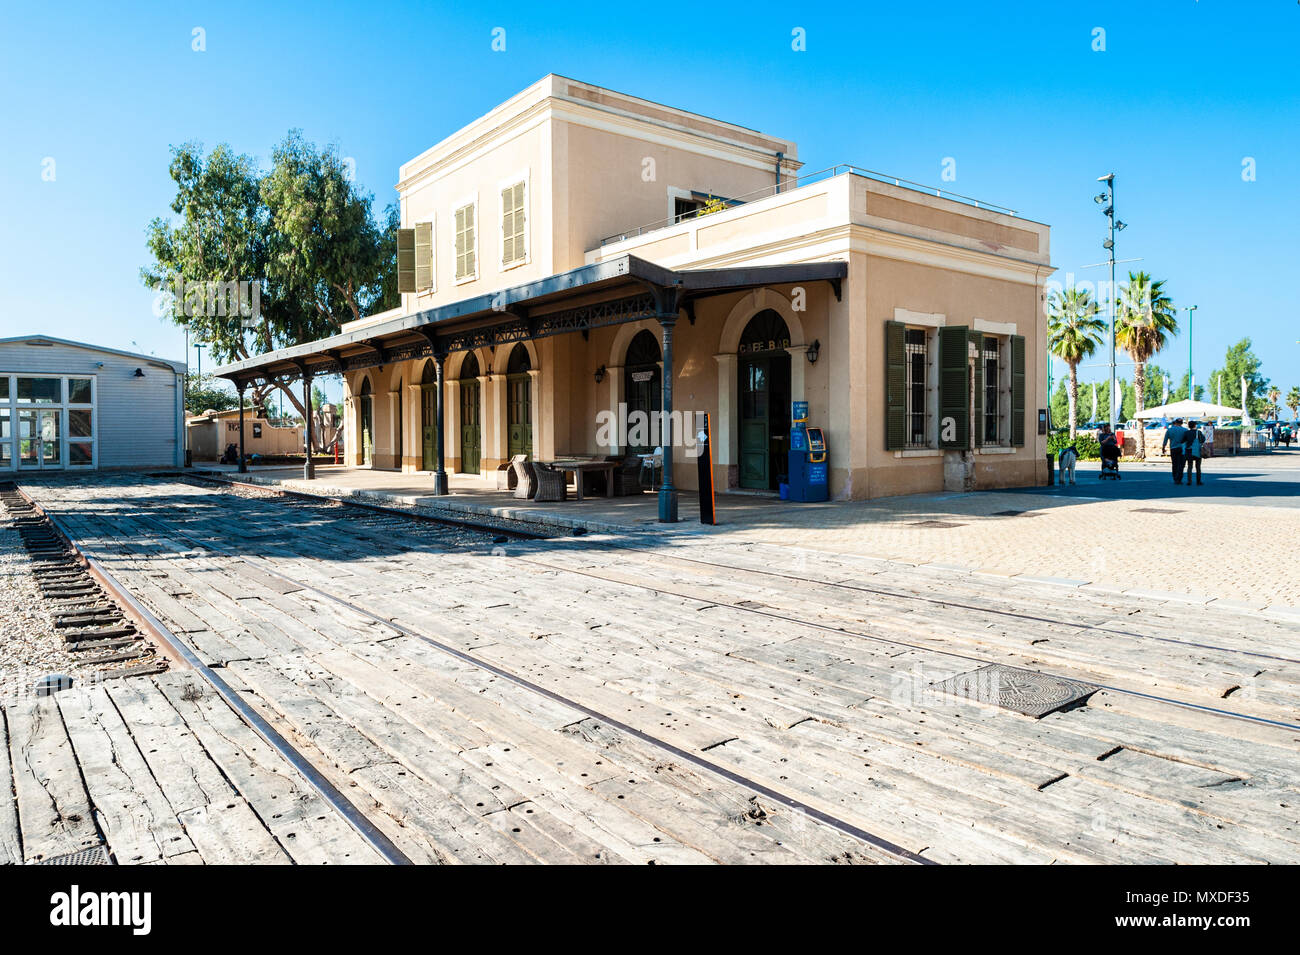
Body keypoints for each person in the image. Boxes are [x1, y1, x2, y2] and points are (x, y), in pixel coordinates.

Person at [1162, 417, 1188, 485]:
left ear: (1175, 422)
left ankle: (1175, 478)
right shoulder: (1185, 430)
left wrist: (1163, 447)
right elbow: (1188, 440)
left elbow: (1165, 439)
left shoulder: (1169, 430)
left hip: (1173, 449)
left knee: (1174, 464)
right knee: (1181, 464)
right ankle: (1179, 479)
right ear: (1182, 423)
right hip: (1182, 449)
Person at [1183, 420, 1205, 487]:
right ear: (1195, 425)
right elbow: (1203, 440)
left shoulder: (1186, 433)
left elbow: (1182, 440)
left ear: (1189, 426)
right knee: (1198, 467)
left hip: (1189, 451)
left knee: (1189, 466)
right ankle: (1198, 481)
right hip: (1197, 451)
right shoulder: (1198, 432)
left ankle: (1189, 481)